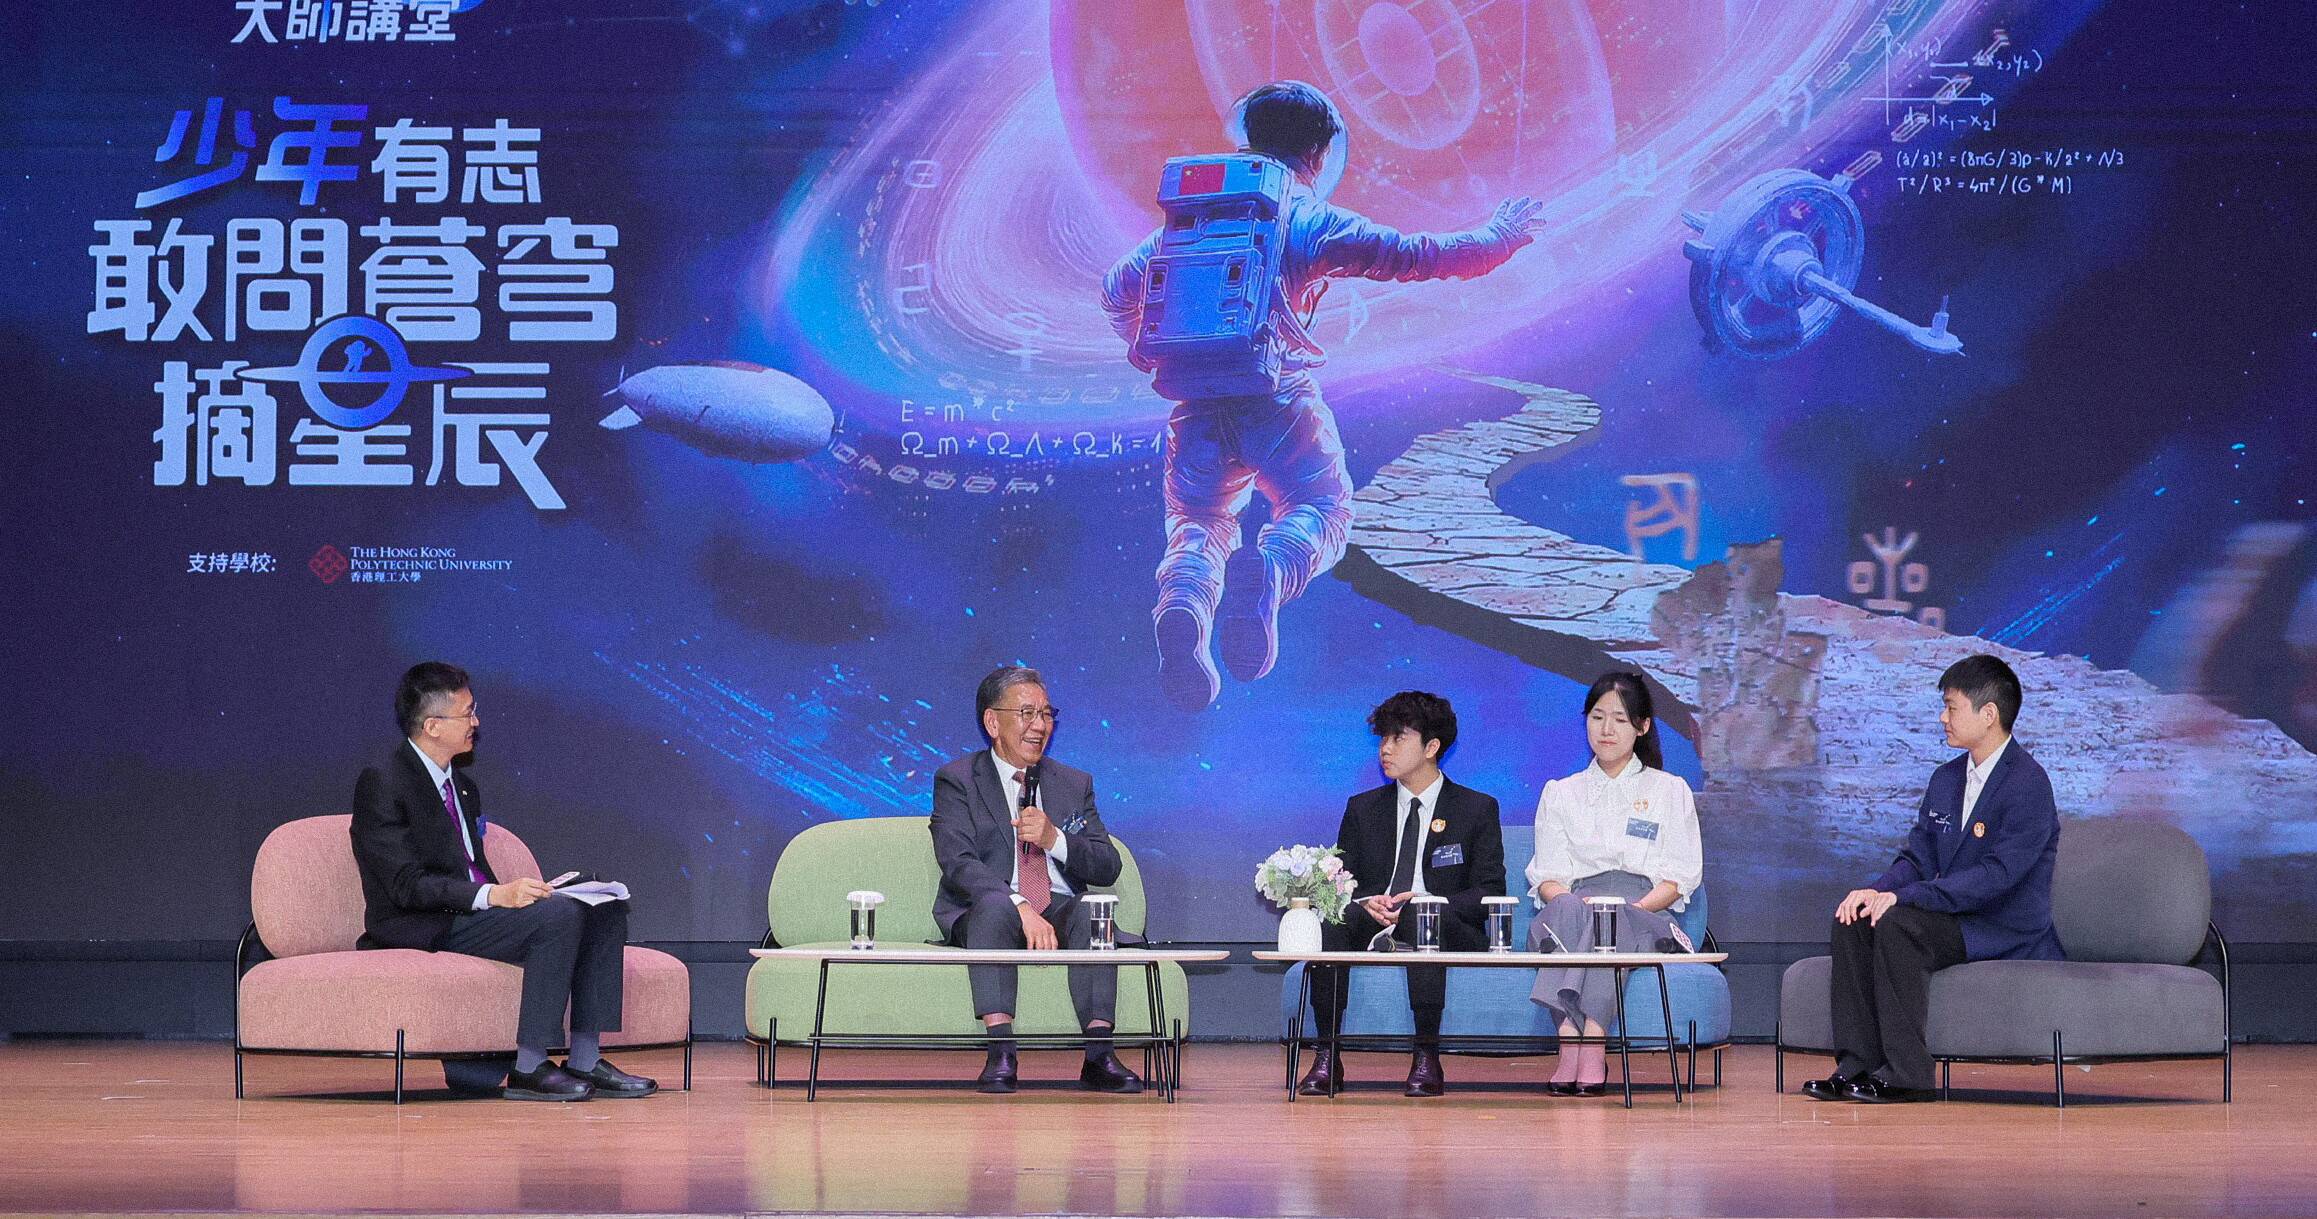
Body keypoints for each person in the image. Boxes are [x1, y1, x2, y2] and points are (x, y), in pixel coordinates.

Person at [1101, 80, 1542, 711]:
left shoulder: (1192, 217)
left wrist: (1148, 351)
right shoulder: (1306, 215)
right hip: (1275, 396)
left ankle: (1183, 609)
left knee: (1198, 524)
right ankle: (1274, 570)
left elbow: (1118, 290)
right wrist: (1500, 235)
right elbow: (1419, 257)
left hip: (1193, 406)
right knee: (1322, 506)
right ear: (1318, 150)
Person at [349, 662, 656, 1102]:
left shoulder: (463, 787)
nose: (477, 723)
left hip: (470, 912)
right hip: (421, 921)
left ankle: (586, 1058)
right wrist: (495, 895)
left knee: (601, 905)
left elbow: (472, 866)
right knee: (557, 917)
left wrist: (510, 895)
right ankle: (529, 1066)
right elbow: (405, 885)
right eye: (467, 714)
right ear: (433, 726)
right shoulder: (384, 782)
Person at [1803, 653, 2063, 1104]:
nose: (1943, 718)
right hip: (1954, 911)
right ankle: (1856, 1066)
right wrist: (1879, 891)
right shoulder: (1945, 779)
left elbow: (1998, 876)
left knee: (1898, 925)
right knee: (1854, 917)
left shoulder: (2028, 783)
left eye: (1951, 707)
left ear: (1988, 715)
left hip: (1998, 924)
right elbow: (1918, 857)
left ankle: (1907, 1074)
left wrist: (1909, 899)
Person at [930, 665, 1145, 1095]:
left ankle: (1099, 1053)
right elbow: (958, 861)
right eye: (1026, 713)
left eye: (1046, 714)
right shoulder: (957, 780)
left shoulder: (1072, 783)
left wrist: (1055, 839)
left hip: (1059, 906)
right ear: (993, 722)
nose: (1040, 726)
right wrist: (1019, 904)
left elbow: (1107, 865)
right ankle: (1001, 1051)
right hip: (990, 909)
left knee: (1093, 912)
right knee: (994, 906)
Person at [1297, 691, 1506, 1098]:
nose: (1386, 750)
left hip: (1447, 929)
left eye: (1398, 739)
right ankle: (1327, 1054)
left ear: (1432, 747)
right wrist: (1362, 901)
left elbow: (1489, 891)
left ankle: (1426, 1054)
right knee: (1333, 919)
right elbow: (1340, 881)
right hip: (1377, 920)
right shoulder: (1362, 808)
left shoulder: (1475, 808)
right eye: (1383, 740)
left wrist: (1431, 903)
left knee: (1422, 916)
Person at [1524, 672, 1704, 1097]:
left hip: (1645, 911)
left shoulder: (1669, 790)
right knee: (1571, 911)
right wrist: (1576, 905)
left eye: (1620, 720)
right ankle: (1569, 1033)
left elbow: (1679, 877)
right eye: (1597, 717)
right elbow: (1548, 877)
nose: (1606, 730)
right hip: (1574, 906)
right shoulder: (1560, 792)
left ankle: (1592, 1038)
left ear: (1642, 727)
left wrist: (1629, 909)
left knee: (1615, 917)